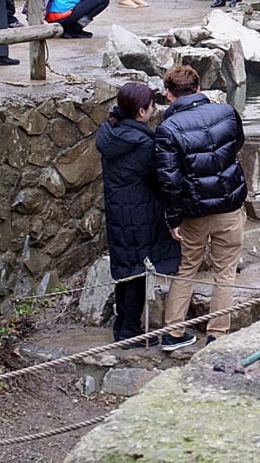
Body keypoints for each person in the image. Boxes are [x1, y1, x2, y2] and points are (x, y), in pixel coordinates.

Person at [155, 65, 247, 352]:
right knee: (226, 271)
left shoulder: (167, 129)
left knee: (187, 269)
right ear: (198, 88)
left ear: (169, 94)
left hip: (194, 212)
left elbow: (169, 181)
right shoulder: (227, 112)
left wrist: (173, 219)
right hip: (229, 206)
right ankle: (217, 334)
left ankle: (173, 333)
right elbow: (237, 144)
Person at [96, 82, 181, 347]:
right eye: (151, 106)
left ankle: (122, 325)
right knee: (135, 272)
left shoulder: (111, 132)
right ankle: (130, 331)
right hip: (138, 212)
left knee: (125, 268)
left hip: (117, 209)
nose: (154, 109)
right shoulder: (143, 143)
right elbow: (160, 179)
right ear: (142, 111)